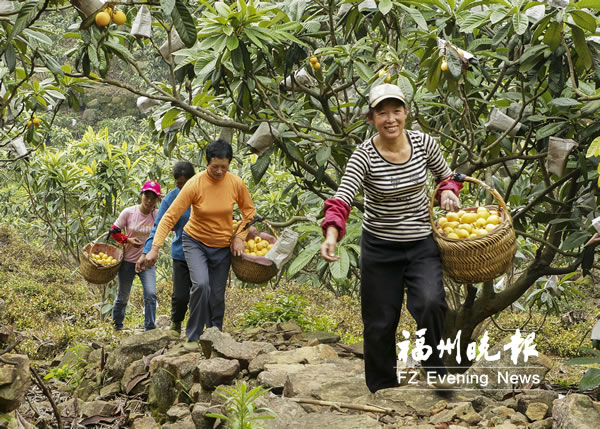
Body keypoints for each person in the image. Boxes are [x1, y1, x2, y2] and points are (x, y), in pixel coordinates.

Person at [320, 84, 463, 393]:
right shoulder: (363, 156)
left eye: (396, 111)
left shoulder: (425, 144)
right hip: (380, 248)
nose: (390, 119)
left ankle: (435, 369)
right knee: (380, 322)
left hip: (420, 243)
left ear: (406, 113)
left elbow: (446, 177)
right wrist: (332, 233)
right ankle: (383, 388)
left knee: (430, 302)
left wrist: (448, 191)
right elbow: (342, 198)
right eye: (382, 113)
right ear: (371, 118)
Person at [144, 139, 256, 351]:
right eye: (215, 167)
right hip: (194, 241)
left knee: (216, 295)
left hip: (222, 245)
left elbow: (249, 212)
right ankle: (193, 336)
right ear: (207, 162)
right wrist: (155, 248)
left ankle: (215, 336)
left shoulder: (235, 183)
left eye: (224, 167)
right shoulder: (195, 184)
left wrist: (239, 236)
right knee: (201, 285)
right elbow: (169, 217)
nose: (220, 171)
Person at [136, 161, 196, 334]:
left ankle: (198, 329)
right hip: (181, 253)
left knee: (200, 293)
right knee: (181, 296)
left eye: (187, 183)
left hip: (204, 252)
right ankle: (176, 323)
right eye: (179, 184)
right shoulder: (171, 198)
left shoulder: (204, 193)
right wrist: (148, 251)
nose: (183, 187)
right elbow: (159, 225)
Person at [110, 180, 161, 331]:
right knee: (123, 297)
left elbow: (170, 225)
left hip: (147, 262)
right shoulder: (129, 212)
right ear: (141, 195)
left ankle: (150, 329)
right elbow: (114, 231)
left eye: (153, 198)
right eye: (147, 196)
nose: (149, 201)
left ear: (157, 200)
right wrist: (127, 240)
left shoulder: (158, 215)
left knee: (151, 294)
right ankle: (116, 327)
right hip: (127, 261)